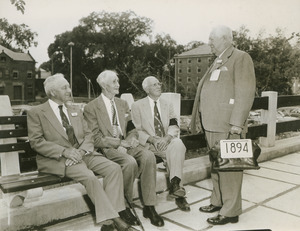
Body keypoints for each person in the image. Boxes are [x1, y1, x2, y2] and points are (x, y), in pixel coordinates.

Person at [27, 73, 137, 231]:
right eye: (64, 87)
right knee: (90, 177)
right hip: (59, 159)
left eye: (68, 86)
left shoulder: (75, 109)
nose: (69, 90)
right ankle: (116, 222)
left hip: (83, 154)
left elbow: (88, 134)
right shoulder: (37, 112)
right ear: (52, 92)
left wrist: (82, 150)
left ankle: (108, 222)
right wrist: (65, 152)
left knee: (113, 168)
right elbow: (36, 142)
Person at [190, 25, 256, 225]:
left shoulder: (240, 57)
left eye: (212, 39)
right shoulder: (218, 60)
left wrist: (237, 123)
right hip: (212, 124)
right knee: (217, 165)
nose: (209, 42)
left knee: (230, 169)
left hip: (228, 125)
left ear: (226, 39)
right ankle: (218, 201)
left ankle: (230, 211)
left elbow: (245, 91)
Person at [84, 70, 164, 227]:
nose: (118, 84)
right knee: (129, 162)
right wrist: (118, 144)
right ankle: (123, 207)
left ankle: (149, 206)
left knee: (148, 156)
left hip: (126, 143)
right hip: (107, 147)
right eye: (114, 82)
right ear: (104, 85)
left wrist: (129, 140)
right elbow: (95, 138)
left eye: (118, 81)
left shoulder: (122, 104)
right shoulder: (91, 108)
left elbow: (132, 128)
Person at [131, 76, 191, 212]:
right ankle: (178, 192)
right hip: (148, 144)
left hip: (164, 141)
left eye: (159, 83)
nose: (159, 86)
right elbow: (136, 130)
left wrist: (167, 138)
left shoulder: (167, 103)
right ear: (147, 89)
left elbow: (174, 123)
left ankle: (175, 184)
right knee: (173, 154)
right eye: (154, 85)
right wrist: (152, 139)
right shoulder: (137, 106)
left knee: (178, 144)